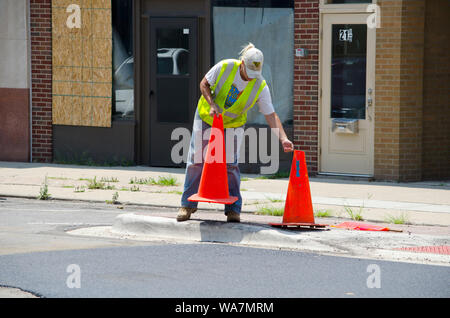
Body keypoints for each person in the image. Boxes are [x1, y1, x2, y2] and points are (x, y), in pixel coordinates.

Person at [177, 43, 294, 223]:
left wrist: (283, 138)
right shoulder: (225, 67)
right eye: (248, 72)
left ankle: (233, 210)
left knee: (230, 165)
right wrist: (212, 104)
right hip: (206, 117)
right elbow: (204, 84)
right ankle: (187, 205)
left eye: (255, 74)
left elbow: (271, 115)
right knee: (196, 160)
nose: (251, 77)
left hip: (233, 125)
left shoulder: (260, 86)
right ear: (241, 64)